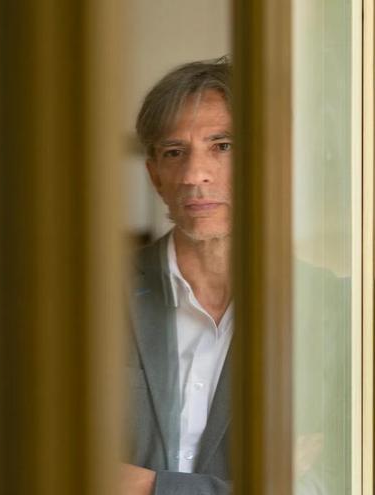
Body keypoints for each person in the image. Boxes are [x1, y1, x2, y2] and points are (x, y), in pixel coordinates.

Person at [124, 58, 233, 495]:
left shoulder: (327, 307)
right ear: (154, 175)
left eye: (222, 146)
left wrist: (151, 487)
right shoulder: (89, 295)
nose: (194, 175)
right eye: (174, 153)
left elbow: (320, 484)